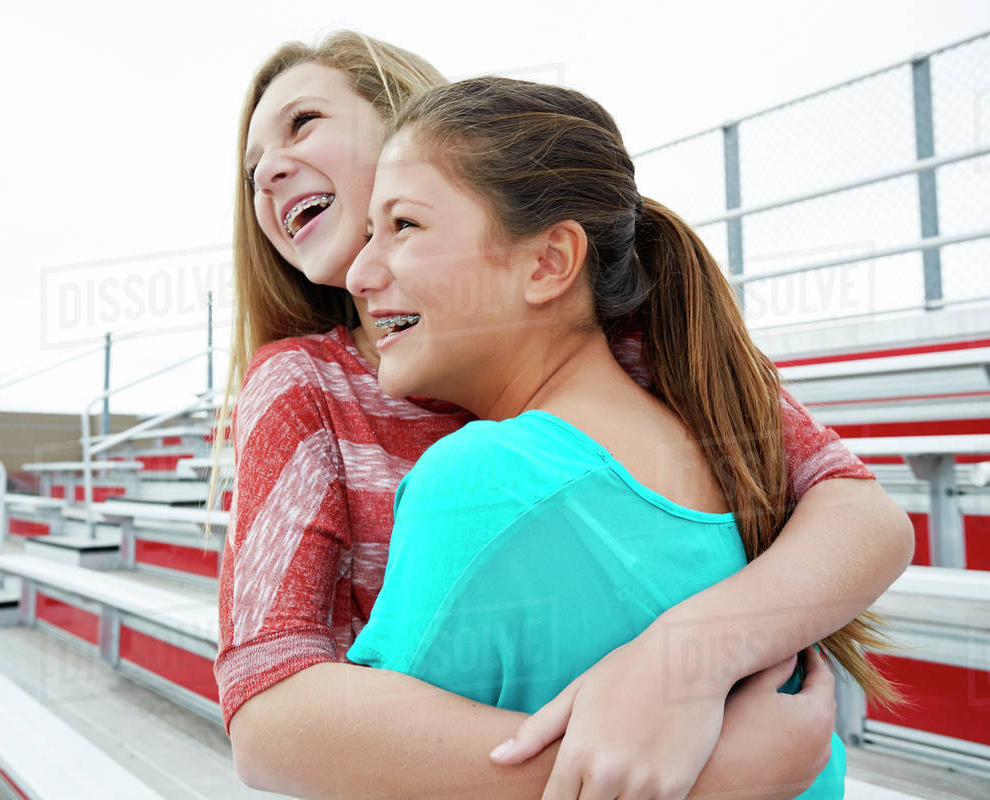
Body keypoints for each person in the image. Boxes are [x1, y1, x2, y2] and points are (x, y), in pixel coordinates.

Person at [212, 31, 914, 799]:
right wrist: (703, 778)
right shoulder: (305, 383)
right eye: (251, 170)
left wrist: (684, 658)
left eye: (303, 123)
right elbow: (269, 713)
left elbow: (860, 513)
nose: (270, 170)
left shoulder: (619, 336)